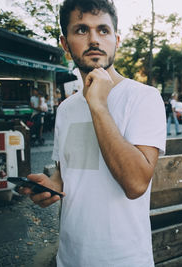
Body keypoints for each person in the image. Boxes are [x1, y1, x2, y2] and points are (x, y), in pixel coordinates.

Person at [19, 0, 166, 266]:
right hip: (70, 256)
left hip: (124, 259)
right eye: (82, 30)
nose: (94, 39)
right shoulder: (65, 109)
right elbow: (67, 174)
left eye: (103, 30)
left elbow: (136, 185)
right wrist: (51, 186)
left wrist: (97, 105)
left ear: (116, 40)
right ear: (65, 44)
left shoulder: (144, 98)